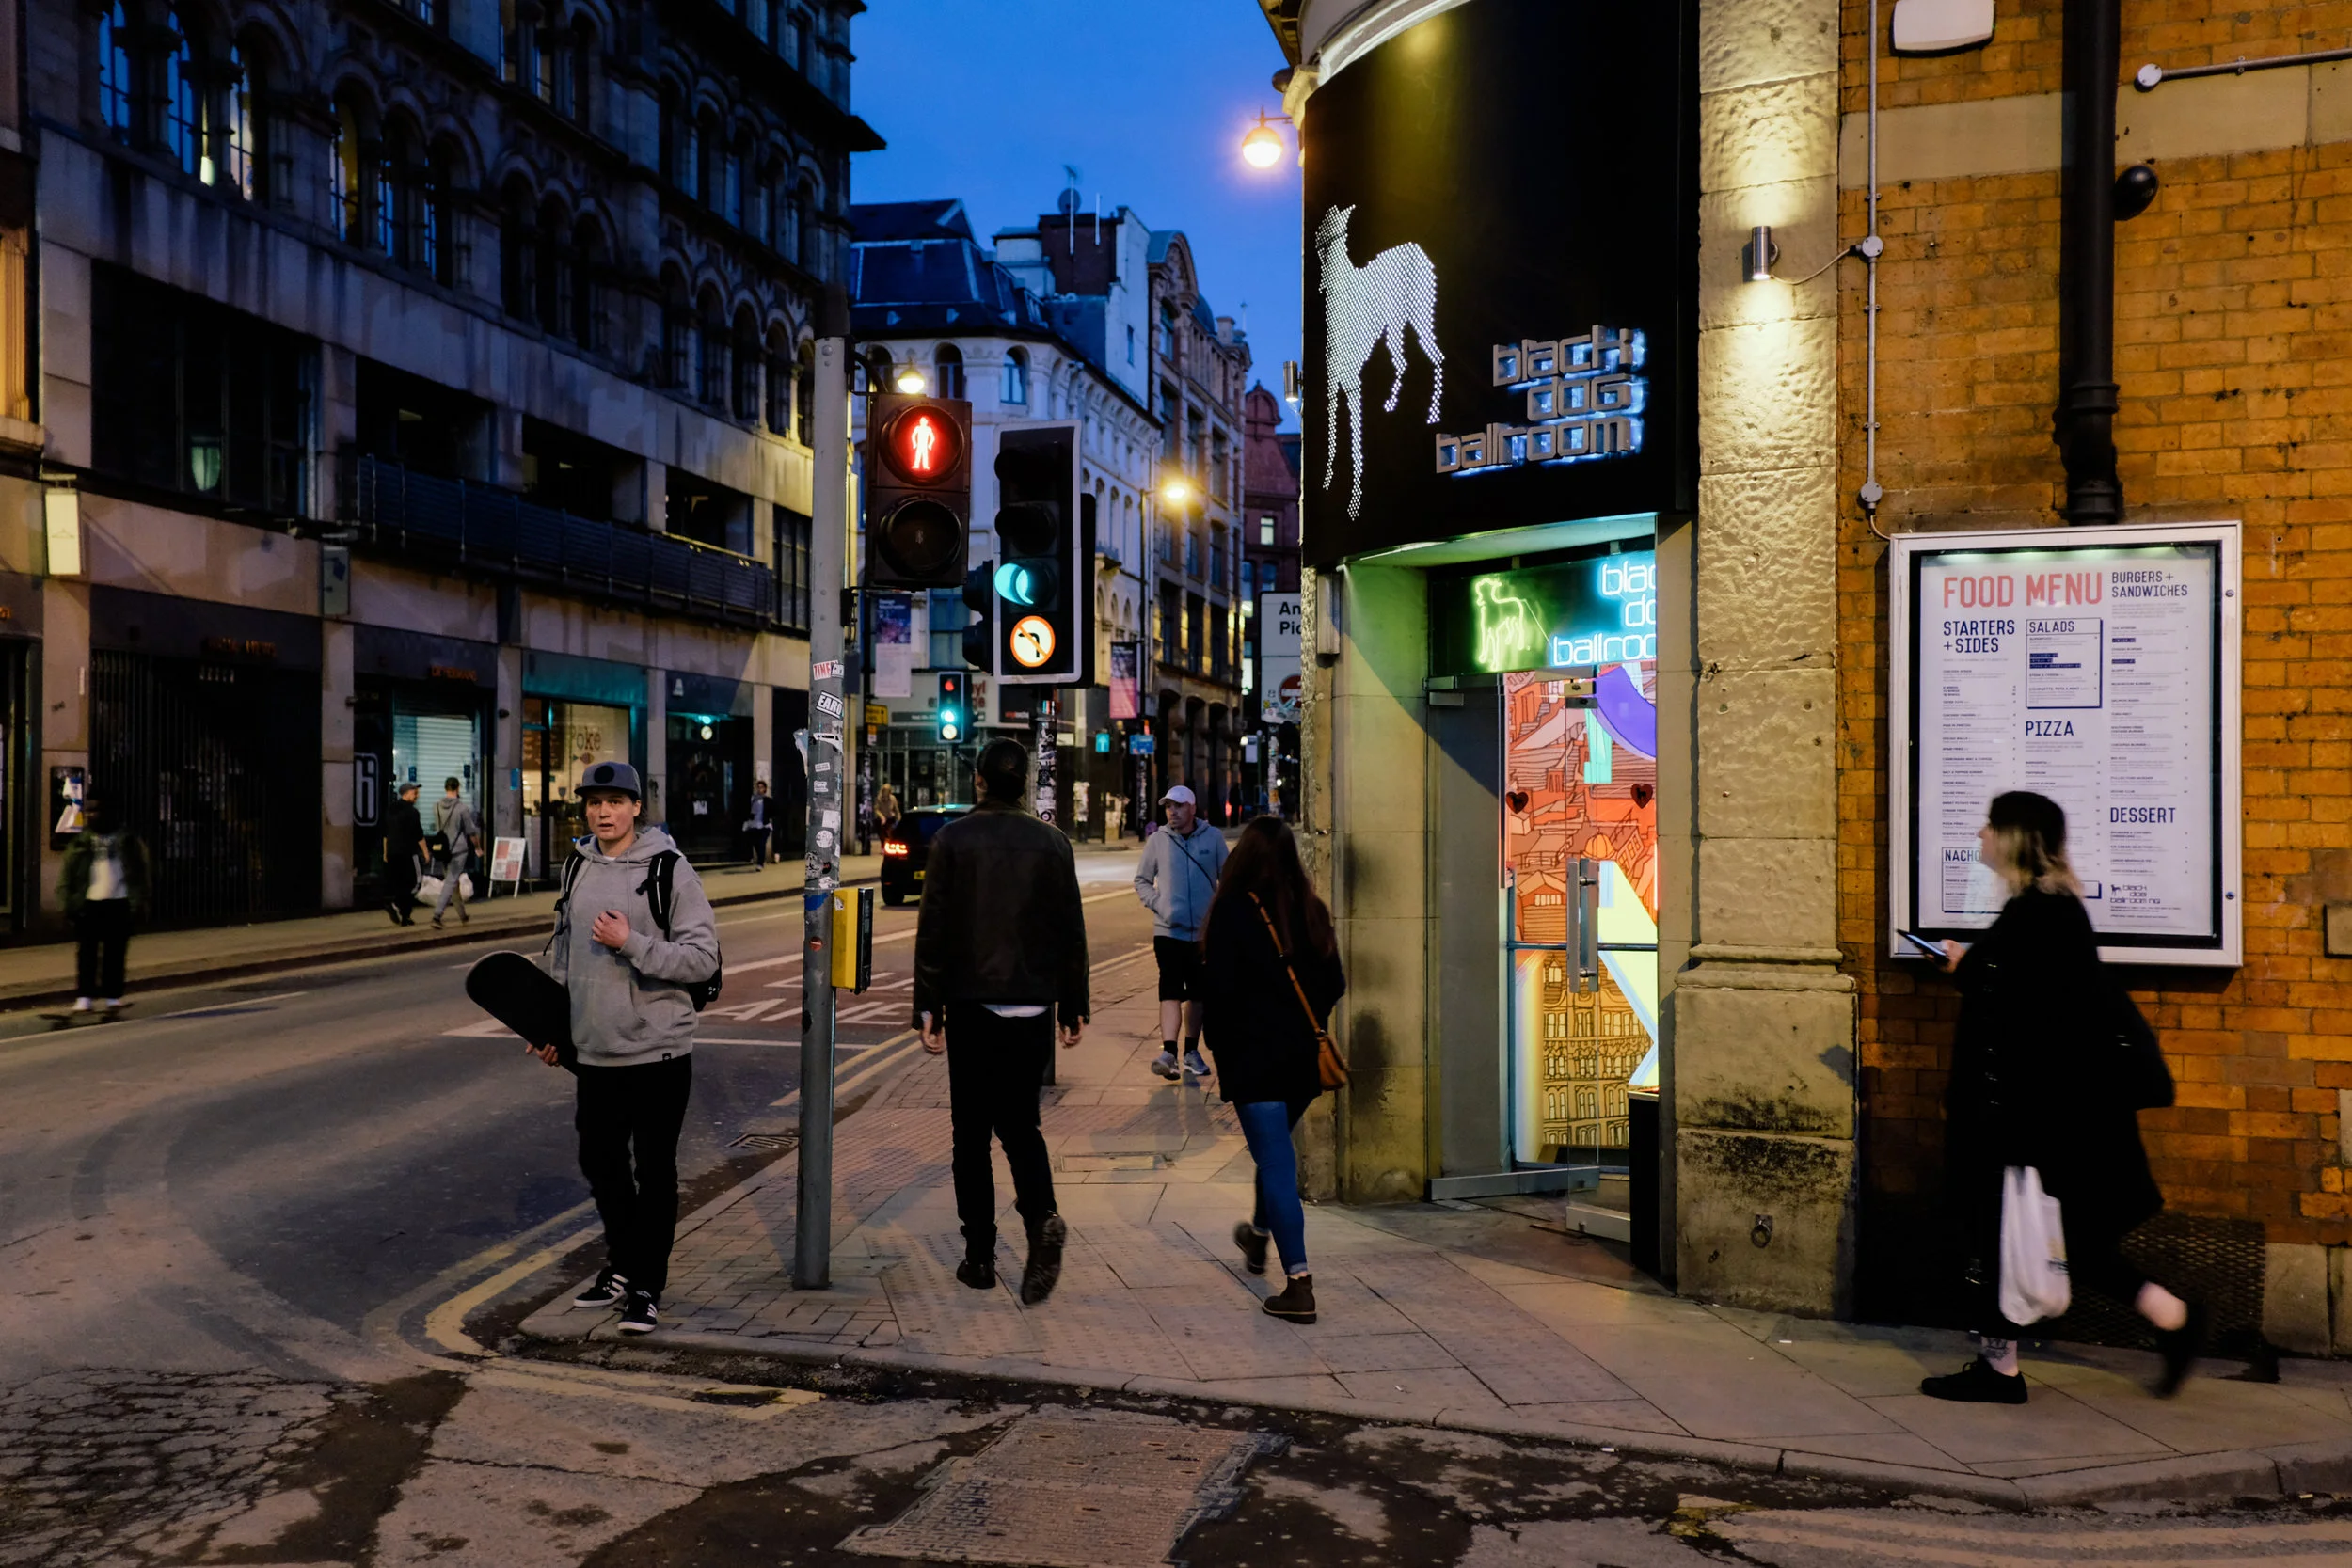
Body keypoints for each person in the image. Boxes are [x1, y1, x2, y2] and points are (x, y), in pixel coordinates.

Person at [1922, 790, 2201, 1404]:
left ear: (2016, 838)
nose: (1982, 833)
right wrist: (1974, 965)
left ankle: (2001, 1370)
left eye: (1992, 825)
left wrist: (1968, 968)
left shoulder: (2041, 913)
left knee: (2010, 1234)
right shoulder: (2044, 909)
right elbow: (2025, 992)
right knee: (2068, 1245)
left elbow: (2027, 1011)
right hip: (2046, 1119)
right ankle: (2176, 1318)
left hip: (2030, 1121)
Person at [538, 759, 721, 1338]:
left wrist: (633, 943)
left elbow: (702, 958)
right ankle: (623, 1262)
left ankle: (645, 1286)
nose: (603, 811)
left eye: (615, 801)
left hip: (659, 1051)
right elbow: (563, 957)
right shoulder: (576, 866)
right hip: (595, 1052)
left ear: (637, 807)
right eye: (594, 802)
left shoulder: (669, 869)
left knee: (656, 1170)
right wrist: (551, 1030)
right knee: (601, 1163)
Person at [913, 738, 1089, 1304]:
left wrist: (927, 1006)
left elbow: (933, 931)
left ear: (980, 781)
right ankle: (1042, 1218)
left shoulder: (952, 840)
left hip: (972, 1005)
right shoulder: (1052, 843)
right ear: (1024, 784)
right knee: (1020, 1128)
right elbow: (1070, 929)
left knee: (971, 1135)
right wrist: (1073, 1003)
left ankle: (980, 1256)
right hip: (1032, 1006)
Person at [1203, 816, 1344, 1323]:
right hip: (1301, 1063)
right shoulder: (1311, 910)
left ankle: (1299, 1284)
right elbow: (1335, 982)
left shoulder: (1232, 913)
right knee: (1275, 1152)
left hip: (1254, 1061)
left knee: (1278, 1165)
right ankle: (1259, 1237)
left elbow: (1215, 993)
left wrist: (1220, 1051)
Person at [1132, 784, 1229, 1083]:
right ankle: (1169, 1053)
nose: (1172, 811)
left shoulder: (1212, 838)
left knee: (1198, 995)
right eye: (1168, 806)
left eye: (1178, 806)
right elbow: (1142, 880)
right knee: (1170, 990)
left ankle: (1191, 1051)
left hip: (1202, 935)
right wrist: (1159, 904)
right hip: (1168, 931)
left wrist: (1218, 915)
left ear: (1192, 808)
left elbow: (1228, 879)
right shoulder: (1158, 840)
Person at [58, 793, 151, 1014]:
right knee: (86, 953)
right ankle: (84, 997)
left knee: (115, 953)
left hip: (119, 901)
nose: (91, 815)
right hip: (88, 902)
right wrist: (68, 903)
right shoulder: (81, 843)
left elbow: (140, 872)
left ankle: (113, 996)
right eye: (89, 810)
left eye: (96, 810)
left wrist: (139, 901)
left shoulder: (127, 841)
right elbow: (67, 875)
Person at [431, 778, 479, 928]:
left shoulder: (436, 806)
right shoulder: (462, 808)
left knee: (453, 882)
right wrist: (477, 847)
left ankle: (463, 916)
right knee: (451, 882)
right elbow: (471, 831)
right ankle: (437, 916)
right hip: (458, 850)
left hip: (443, 849)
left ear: (446, 788)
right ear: (457, 788)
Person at [385, 781, 429, 927]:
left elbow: (385, 833)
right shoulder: (412, 812)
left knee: (399, 883)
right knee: (415, 882)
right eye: (414, 792)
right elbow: (419, 835)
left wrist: (385, 852)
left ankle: (405, 916)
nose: (417, 795)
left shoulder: (391, 809)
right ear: (406, 793)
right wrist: (426, 853)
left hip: (392, 852)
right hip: (408, 852)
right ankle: (398, 905)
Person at [745, 778, 775, 869]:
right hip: (754, 825)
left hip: (764, 825)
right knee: (756, 844)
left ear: (765, 789)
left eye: (761, 787)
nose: (759, 789)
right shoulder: (753, 799)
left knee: (762, 843)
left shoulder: (767, 800)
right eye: (758, 787)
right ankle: (760, 859)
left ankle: (760, 863)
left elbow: (773, 811)